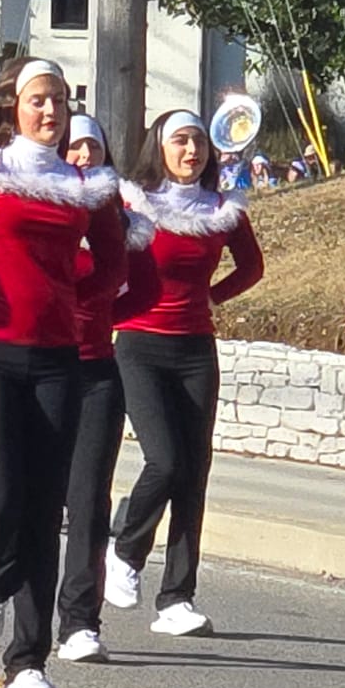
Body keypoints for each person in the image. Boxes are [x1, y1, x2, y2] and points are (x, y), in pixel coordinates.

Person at [0, 57, 125, 688]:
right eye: (39, 99)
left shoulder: (84, 186)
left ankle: (27, 659)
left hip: (59, 359)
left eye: (61, 101)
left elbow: (113, 267)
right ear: (12, 104)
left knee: (46, 509)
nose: (51, 112)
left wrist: (66, 296)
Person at [106, 110, 265, 635]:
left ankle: (177, 597)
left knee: (194, 472)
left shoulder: (222, 209)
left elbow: (251, 267)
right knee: (166, 460)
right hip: (140, 345)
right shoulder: (134, 203)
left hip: (196, 348)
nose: (192, 150)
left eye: (198, 141)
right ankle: (125, 548)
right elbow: (107, 262)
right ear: (159, 146)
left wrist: (212, 297)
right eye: (180, 140)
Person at [52, 113, 159, 663]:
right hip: (33, 365)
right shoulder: (37, 204)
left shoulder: (117, 217)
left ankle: (79, 621)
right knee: (24, 499)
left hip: (94, 369)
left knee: (89, 499)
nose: (82, 157)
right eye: (73, 148)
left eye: (92, 148)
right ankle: (2, 587)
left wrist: (98, 312)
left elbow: (145, 288)